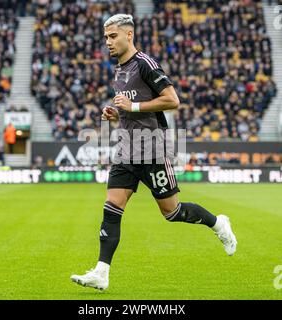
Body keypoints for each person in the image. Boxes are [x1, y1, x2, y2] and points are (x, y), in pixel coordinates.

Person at [71, 14, 237, 290]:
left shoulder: (145, 65)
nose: (108, 42)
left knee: (171, 212)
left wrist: (133, 107)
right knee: (111, 208)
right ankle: (102, 272)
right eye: (106, 37)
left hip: (152, 150)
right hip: (126, 149)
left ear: (129, 35)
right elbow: (129, 108)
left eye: (113, 36)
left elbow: (172, 100)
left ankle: (218, 224)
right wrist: (115, 114)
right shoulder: (119, 69)